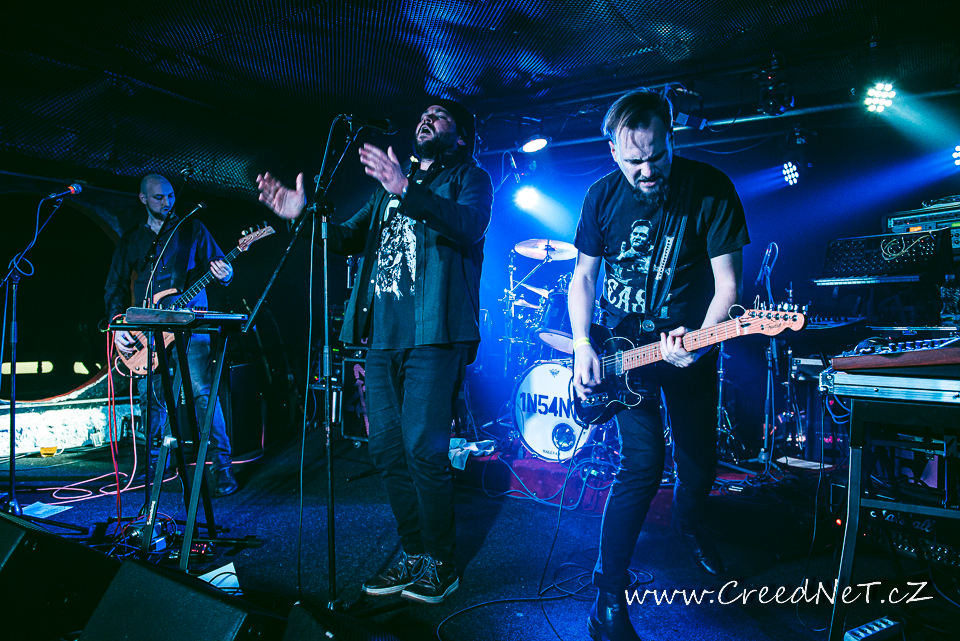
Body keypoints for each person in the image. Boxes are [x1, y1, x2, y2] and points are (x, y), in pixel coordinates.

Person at [256, 99, 493, 604]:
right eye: (423, 113)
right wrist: (305, 216)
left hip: (435, 334)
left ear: (460, 137)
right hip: (382, 336)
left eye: (440, 116)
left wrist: (407, 189)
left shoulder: (469, 178)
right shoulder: (388, 189)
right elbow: (345, 237)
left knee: (423, 449)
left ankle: (441, 562)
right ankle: (413, 551)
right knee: (386, 448)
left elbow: (469, 224)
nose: (426, 119)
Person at [568, 89, 749, 641]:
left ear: (671, 138)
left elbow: (729, 288)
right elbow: (583, 277)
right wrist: (582, 342)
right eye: (634, 160)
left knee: (698, 461)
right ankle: (607, 600)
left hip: (689, 345)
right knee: (640, 467)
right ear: (613, 150)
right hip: (625, 354)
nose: (647, 170)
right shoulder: (601, 196)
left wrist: (699, 342)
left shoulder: (711, 188)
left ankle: (691, 523)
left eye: (656, 155)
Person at [105, 174, 239, 497]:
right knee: (150, 398)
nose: (167, 202)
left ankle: (222, 468)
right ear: (143, 199)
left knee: (202, 393)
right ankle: (155, 465)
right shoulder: (133, 239)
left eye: (170, 196)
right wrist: (117, 325)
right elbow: (115, 286)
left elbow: (222, 266)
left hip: (191, 325)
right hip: (148, 331)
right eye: (159, 198)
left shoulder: (192, 229)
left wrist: (227, 273)